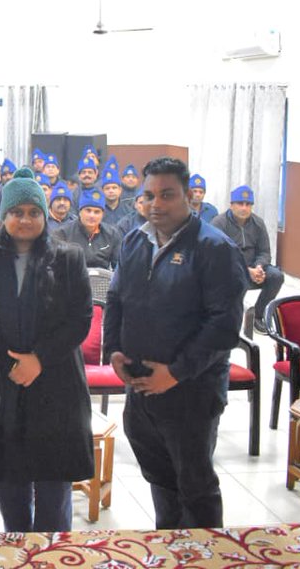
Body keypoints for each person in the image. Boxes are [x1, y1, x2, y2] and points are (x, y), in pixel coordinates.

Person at [104, 157, 247, 529]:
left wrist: (176, 373)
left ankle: (202, 555)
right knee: (161, 481)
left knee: (195, 488)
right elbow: (116, 299)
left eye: (167, 195)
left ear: (189, 198)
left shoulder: (215, 248)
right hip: (142, 388)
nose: (156, 204)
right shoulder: (135, 241)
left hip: (191, 392)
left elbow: (224, 325)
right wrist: (114, 351)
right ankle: (168, 549)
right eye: (149, 195)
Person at [0, 167, 93, 532]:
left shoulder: (69, 258)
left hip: (55, 377)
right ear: (4, 217)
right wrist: (11, 364)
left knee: (53, 479)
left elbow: (80, 319)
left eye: (34, 212)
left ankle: (51, 553)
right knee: (7, 471)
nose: (26, 220)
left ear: (45, 216)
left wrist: (39, 360)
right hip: (0, 379)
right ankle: (17, 545)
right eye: (17, 212)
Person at [211, 185, 284, 333]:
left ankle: (257, 316)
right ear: (231, 205)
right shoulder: (219, 223)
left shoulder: (258, 223)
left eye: (248, 204)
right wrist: (245, 271)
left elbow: (265, 252)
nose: (244, 208)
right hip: (229, 270)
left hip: (254, 268)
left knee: (276, 276)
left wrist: (258, 267)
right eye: (240, 203)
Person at [53, 189, 122, 269]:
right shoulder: (62, 233)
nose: (92, 215)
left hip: (103, 279)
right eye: (88, 211)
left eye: (97, 212)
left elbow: (118, 265)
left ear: (102, 214)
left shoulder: (112, 234)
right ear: (80, 212)